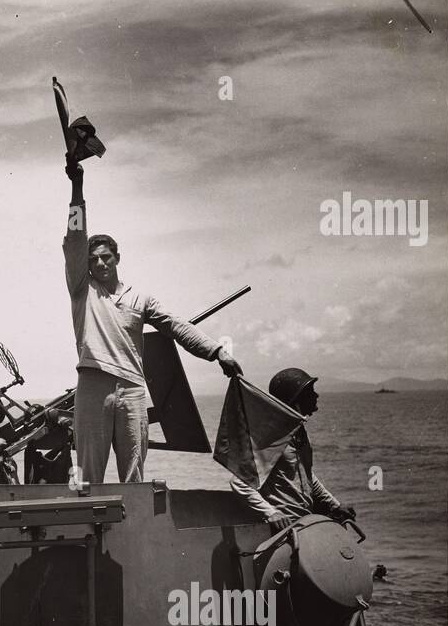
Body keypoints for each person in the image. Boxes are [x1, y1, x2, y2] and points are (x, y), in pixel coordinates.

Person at [63, 156, 243, 483]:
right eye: (93, 260)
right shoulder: (82, 289)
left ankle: (131, 530)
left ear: (117, 258)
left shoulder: (140, 299)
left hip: (132, 388)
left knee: (133, 474)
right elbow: (75, 240)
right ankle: (90, 532)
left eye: (106, 257)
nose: (100, 263)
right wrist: (77, 188)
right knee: (88, 478)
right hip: (92, 385)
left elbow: (176, 325)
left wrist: (217, 352)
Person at [229, 368, 357, 531]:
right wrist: (271, 513)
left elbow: (306, 476)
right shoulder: (272, 436)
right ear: (296, 399)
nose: (316, 396)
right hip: (282, 530)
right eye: (310, 392)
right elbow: (239, 482)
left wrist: (334, 505)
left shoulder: (298, 432)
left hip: (304, 524)